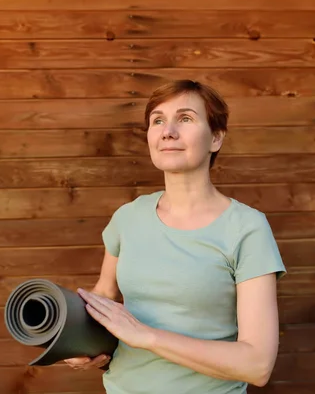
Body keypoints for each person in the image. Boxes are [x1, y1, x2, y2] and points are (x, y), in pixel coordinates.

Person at [65, 80, 287, 394]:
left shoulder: (247, 229)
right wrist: (80, 345)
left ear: (216, 138)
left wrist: (148, 337)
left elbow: (257, 365)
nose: (168, 131)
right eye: (158, 120)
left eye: (185, 119)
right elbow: (103, 300)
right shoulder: (127, 218)